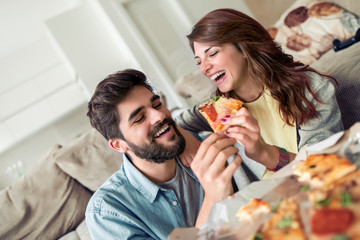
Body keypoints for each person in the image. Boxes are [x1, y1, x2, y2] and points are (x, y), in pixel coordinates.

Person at [175, 8, 343, 180]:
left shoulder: (310, 89)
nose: (204, 68)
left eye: (212, 53)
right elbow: (174, 122)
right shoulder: (217, 108)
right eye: (199, 62)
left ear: (244, 46)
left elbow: (322, 167)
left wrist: (263, 153)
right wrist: (183, 141)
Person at [85, 69, 241, 239]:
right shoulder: (108, 212)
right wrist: (213, 198)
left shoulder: (198, 143)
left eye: (157, 104)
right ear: (118, 145)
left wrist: (182, 131)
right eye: (139, 118)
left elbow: (225, 103)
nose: (159, 115)